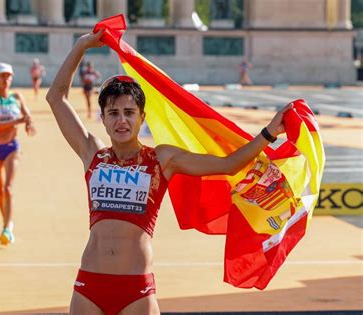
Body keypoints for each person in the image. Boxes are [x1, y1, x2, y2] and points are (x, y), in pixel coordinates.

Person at [46, 29, 292, 315]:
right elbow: (56, 97)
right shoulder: (93, 154)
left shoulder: (161, 158)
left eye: (129, 112)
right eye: (113, 113)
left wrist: (268, 134)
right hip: (89, 285)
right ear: (103, 118)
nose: (122, 120)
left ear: (142, 118)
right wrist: (82, 45)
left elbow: (228, 165)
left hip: (136, 290)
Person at [0, 62, 36, 245]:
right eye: (2, 75)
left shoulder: (17, 97)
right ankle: (6, 221)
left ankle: (7, 228)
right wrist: (18, 120)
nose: (6, 79)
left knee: (8, 188)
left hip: (12, 147)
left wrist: (29, 123)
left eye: (8, 76)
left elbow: (27, 115)